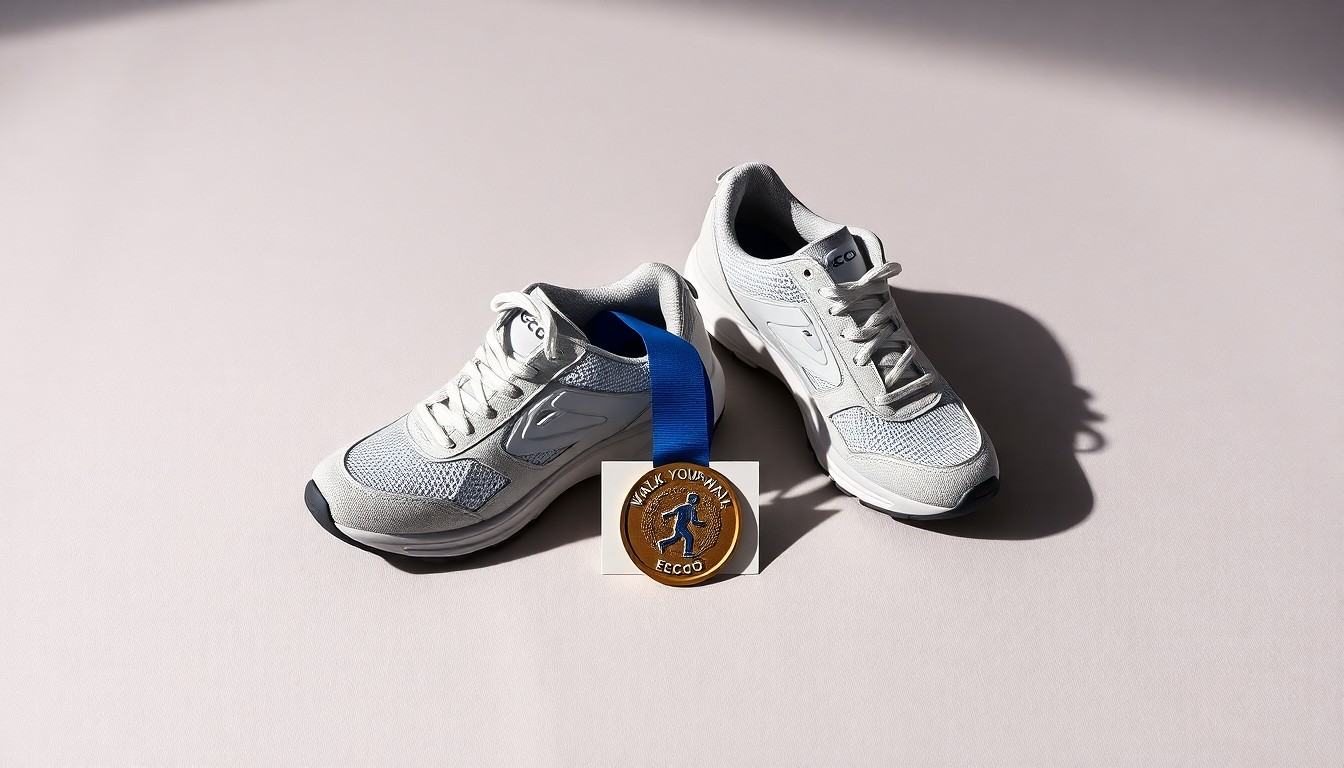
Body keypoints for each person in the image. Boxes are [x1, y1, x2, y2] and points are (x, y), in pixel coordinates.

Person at [657, 492, 707, 558]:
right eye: (696, 500)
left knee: (675, 538)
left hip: (678, 526)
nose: (696, 502)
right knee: (689, 537)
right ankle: (687, 552)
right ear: (693, 500)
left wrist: (665, 515)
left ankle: (662, 543)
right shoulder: (692, 509)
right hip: (682, 527)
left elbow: (673, 512)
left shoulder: (681, 507)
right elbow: (694, 521)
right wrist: (701, 523)